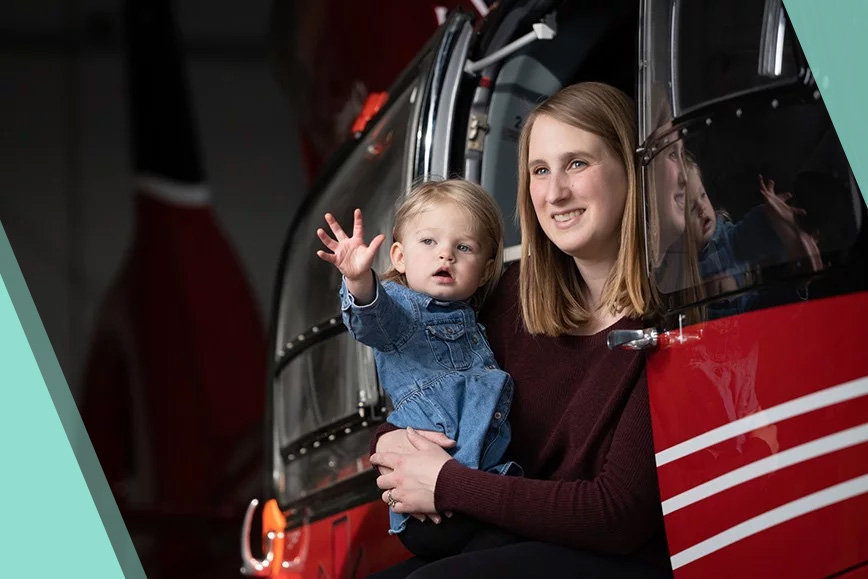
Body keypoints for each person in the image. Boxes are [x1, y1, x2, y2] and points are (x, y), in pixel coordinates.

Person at [368, 82, 672, 578]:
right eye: (540, 170)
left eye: (578, 163)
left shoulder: (673, 318)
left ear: (631, 167)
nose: (556, 193)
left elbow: (616, 514)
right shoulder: (512, 296)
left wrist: (448, 484)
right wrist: (389, 442)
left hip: (621, 558)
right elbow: (438, 385)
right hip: (516, 538)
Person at [315, 179, 520, 559]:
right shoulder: (404, 310)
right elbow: (373, 319)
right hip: (431, 507)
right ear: (399, 257)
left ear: (486, 269)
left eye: (463, 247)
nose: (446, 255)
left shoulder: (472, 317)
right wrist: (358, 280)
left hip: (477, 482)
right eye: (428, 241)